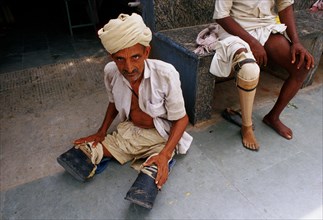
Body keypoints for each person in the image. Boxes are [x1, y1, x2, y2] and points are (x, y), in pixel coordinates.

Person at [57, 13, 193, 209]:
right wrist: (101, 132)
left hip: (162, 134)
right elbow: (113, 103)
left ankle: (156, 165)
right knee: (82, 153)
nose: (128, 67)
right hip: (129, 131)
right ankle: (100, 155)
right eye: (120, 59)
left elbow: (181, 119)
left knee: (150, 177)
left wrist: (165, 153)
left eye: (135, 57)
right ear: (112, 57)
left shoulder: (166, 74)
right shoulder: (111, 72)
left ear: (147, 52)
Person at [209, 0, 314, 151]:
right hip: (235, 28)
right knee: (249, 70)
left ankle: (273, 117)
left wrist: (296, 42)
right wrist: (252, 43)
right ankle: (246, 126)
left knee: (301, 68)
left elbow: (284, 6)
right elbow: (221, 16)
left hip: (266, 26)